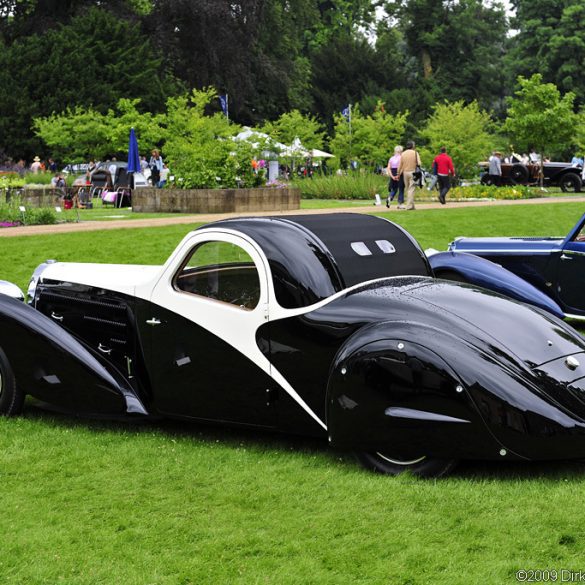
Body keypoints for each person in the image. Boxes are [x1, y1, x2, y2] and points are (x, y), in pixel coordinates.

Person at [397, 141, 421, 210]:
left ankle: (412, 205)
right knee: (411, 189)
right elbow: (419, 163)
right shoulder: (415, 153)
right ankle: (409, 206)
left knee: (408, 189)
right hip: (413, 172)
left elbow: (400, 165)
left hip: (405, 173)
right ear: (412, 146)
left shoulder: (403, 154)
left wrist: (398, 173)